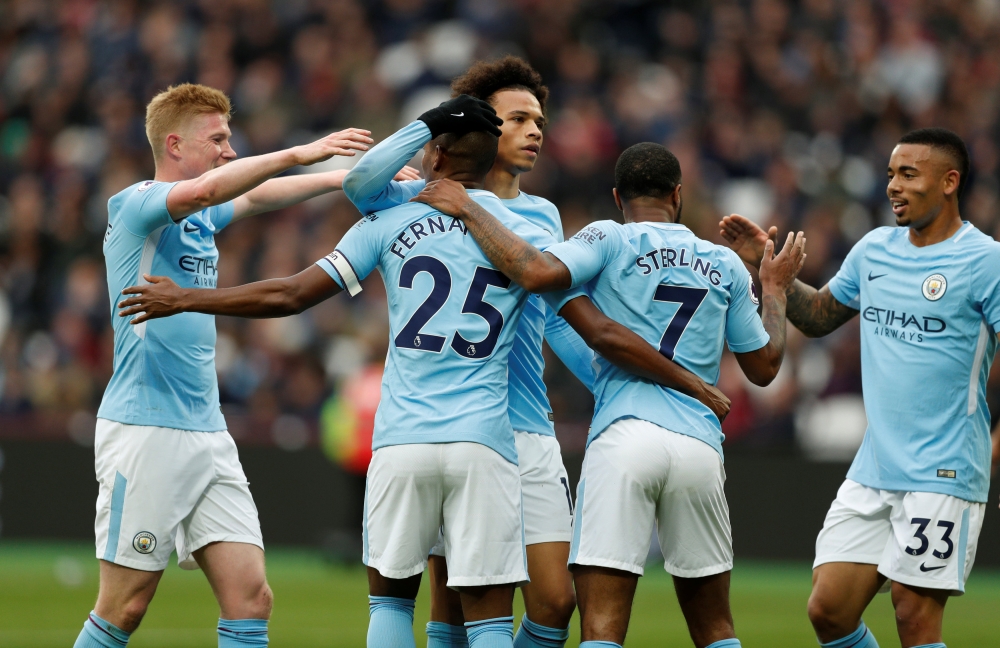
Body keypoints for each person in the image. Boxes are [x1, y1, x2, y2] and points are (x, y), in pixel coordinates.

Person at [116, 100, 728, 648]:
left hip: (403, 441)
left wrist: (192, 298)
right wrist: (661, 383)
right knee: (488, 618)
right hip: (485, 445)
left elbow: (289, 295)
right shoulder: (525, 238)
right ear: (493, 161)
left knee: (391, 602)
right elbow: (579, 324)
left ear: (432, 151)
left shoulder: (389, 221)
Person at [342, 56, 729, 648]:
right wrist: (432, 122)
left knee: (554, 601)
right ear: (481, 128)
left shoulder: (541, 215)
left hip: (525, 424)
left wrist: (607, 381)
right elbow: (360, 182)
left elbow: (562, 321)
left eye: (539, 120)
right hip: (461, 418)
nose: (535, 131)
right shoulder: (421, 195)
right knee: (451, 604)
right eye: (518, 118)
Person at [410, 142, 806, 648]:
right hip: (699, 448)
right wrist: (774, 289)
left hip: (625, 437)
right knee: (716, 629)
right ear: (678, 195)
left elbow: (537, 272)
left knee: (601, 630)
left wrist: (470, 209)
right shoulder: (723, 261)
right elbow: (766, 367)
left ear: (618, 196)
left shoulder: (607, 237)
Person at [75, 82, 387, 648]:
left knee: (251, 597)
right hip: (146, 429)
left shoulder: (199, 218)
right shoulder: (136, 205)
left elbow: (256, 197)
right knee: (124, 605)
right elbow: (211, 190)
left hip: (207, 433)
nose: (229, 149)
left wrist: (342, 179)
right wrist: (300, 150)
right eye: (217, 138)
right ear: (175, 145)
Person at [719, 127, 1000, 648]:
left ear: (949, 182)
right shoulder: (875, 249)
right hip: (875, 467)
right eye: (891, 174)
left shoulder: (985, 261)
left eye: (909, 174)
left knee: (913, 614)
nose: (893, 186)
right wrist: (769, 267)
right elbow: (820, 316)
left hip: (944, 469)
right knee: (829, 609)